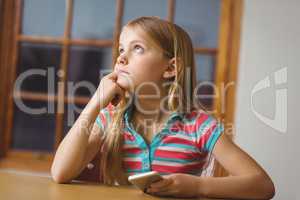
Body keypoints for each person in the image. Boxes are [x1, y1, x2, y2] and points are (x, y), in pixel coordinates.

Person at [51, 16, 275, 199]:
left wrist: (198, 187)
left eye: (137, 48)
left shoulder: (199, 125)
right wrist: (95, 104)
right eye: (120, 50)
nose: (121, 58)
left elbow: (262, 185)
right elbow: (60, 173)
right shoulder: (110, 118)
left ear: (170, 68)